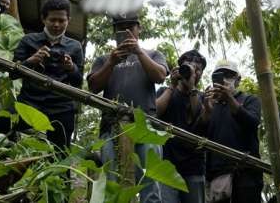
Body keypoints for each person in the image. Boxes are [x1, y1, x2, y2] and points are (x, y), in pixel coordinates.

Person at [88, 13, 168, 203]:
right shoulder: (103, 58)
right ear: (114, 32)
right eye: (120, 28)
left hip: (147, 127)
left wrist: (139, 52)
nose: (125, 32)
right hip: (111, 128)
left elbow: (160, 76)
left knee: (151, 184)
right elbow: (93, 87)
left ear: (139, 28)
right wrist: (111, 62)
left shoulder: (153, 54)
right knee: (114, 183)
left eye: (130, 27)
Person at [11, 0, 84, 150]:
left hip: (62, 106)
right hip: (29, 101)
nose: (57, 24)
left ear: (68, 20)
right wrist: (30, 61)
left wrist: (71, 68)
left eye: (61, 20)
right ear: (43, 19)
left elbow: (78, 82)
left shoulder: (75, 46)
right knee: (11, 140)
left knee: (61, 153)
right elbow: (12, 73)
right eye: (52, 20)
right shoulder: (28, 40)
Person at [200, 60, 262, 203]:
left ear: (238, 80)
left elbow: (252, 122)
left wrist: (229, 98)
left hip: (246, 174)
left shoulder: (249, 100)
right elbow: (199, 137)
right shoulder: (209, 104)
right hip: (217, 177)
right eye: (220, 76)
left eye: (229, 75)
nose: (225, 80)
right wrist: (207, 112)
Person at [156, 49, 207, 203]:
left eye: (198, 70)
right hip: (166, 165)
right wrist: (172, 85)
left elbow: (197, 117)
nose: (194, 73)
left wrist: (191, 87)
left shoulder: (203, 97)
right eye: (189, 68)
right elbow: (156, 112)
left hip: (194, 167)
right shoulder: (165, 91)